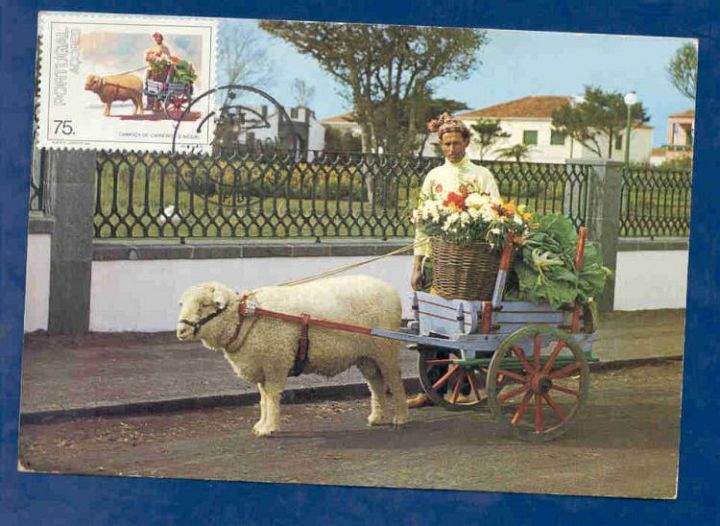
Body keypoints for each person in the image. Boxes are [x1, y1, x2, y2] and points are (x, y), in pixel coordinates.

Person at [407, 112, 501, 409]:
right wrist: (417, 264)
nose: (451, 150)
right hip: (438, 264)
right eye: (446, 144)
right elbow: (422, 225)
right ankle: (432, 390)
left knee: (472, 325)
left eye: (456, 143)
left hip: (473, 266)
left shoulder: (482, 176)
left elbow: (496, 216)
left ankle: (469, 385)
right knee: (435, 325)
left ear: (466, 142)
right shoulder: (433, 178)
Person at [144, 32, 172, 110]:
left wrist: (161, 57)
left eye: (158, 38)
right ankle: (150, 105)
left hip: (162, 71)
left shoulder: (165, 48)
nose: (157, 39)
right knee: (149, 85)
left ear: (161, 39)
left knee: (157, 87)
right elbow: (147, 57)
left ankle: (157, 105)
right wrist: (150, 56)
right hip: (153, 69)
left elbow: (169, 59)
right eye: (156, 38)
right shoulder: (152, 48)